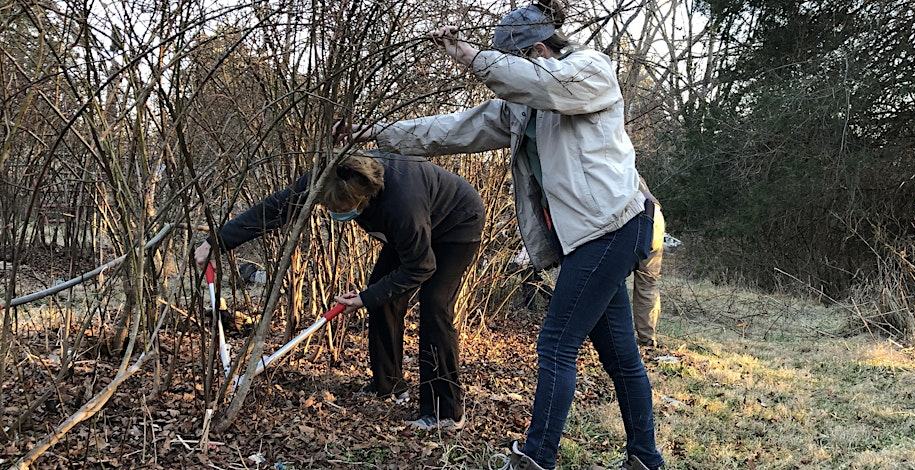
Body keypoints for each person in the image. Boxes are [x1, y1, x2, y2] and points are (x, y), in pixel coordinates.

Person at [336, 1, 664, 468]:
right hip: (587, 238)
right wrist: (374, 133)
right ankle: (646, 459)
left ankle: (535, 457)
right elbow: (453, 129)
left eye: (511, 62)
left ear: (536, 49)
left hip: (613, 226)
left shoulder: (589, 71)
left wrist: (468, 55)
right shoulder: (522, 108)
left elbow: (542, 84)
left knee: (555, 344)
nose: (509, 74)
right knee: (619, 356)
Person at [194, 152, 484, 431]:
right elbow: (275, 209)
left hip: (457, 223)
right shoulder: (330, 175)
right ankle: (390, 385)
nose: (335, 214)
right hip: (413, 229)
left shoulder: (401, 204)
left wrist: (363, 298)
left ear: (366, 199)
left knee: (434, 306)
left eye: (342, 210)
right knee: (383, 298)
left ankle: (444, 412)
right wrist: (216, 243)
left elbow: (421, 267)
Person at [633, 178, 665, 348]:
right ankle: (647, 338)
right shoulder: (630, 168)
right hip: (655, 217)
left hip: (636, 217)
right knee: (648, 284)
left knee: (610, 281)